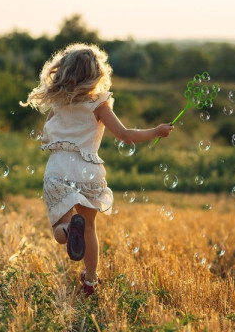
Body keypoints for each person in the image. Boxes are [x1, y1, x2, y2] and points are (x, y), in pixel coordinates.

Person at [20, 43, 174, 296]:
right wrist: (156, 131)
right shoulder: (99, 104)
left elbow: (46, 136)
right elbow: (125, 135)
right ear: (97, 74)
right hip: (88, 169)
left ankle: (69, 230)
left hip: (59, 166)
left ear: (63, 72)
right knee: (89, 227)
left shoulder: (58, 102)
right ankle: (90, 281)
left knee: (60, 226)